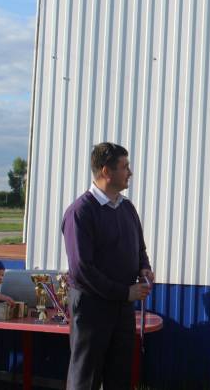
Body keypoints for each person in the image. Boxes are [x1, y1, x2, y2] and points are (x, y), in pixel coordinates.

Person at [62, 142, 153, 390]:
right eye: (125, 167)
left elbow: (140, 249)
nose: (130, 172)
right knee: (86, 379)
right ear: (106, 171)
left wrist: (144, 268)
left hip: (122, 309)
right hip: (91, 309)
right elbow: (82, 269)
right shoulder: (80, 212)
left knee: (119, 377)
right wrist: (125, 292)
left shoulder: (127, 208)